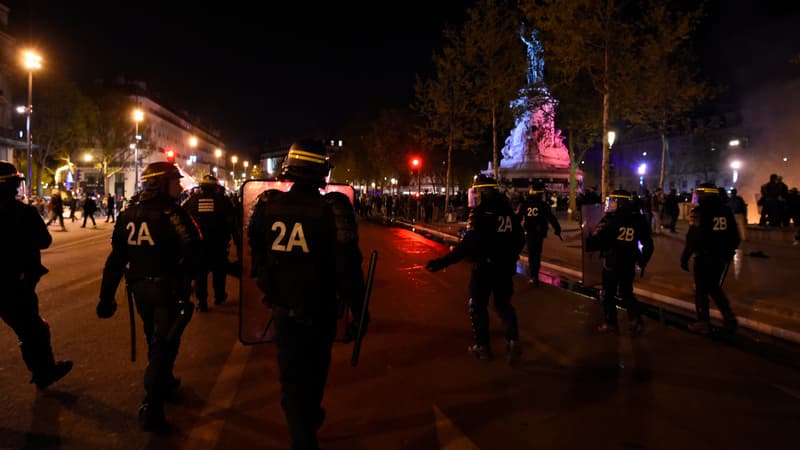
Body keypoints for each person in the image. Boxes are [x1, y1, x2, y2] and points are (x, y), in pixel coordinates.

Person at [248, 139, 367, 450]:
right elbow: (348, 267)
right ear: (321, 171)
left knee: (291, 377)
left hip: (283, 309)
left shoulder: (266, 204)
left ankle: (302, 428)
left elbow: (255, 248)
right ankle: (305, 434)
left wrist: (267, 283)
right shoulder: (335, 208)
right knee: (314, 374)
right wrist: (360, 309)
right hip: (321, 310)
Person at [96, 162, 202, 433]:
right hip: (168, 290)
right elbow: (194, 250)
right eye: (175, 182)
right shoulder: (174, 214)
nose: (179, 187)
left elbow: (115, 260)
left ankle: (164, 382)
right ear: (160, 184)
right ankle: (151, 407)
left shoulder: (127, 214)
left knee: (154, 337)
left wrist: (106, 298)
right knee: (163, 347)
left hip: (140, 292)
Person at [425, 174, 525, 363]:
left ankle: (483, 347)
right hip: (504, 268)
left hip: (484, 268)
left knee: (477, 306)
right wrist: (510, 257)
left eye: (477, 192)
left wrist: (443, 262)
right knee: (504, 305)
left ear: (483, 192)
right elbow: (520, 239)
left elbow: (467, 245)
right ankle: (513, 341)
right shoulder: (509, 212)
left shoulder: (479, 214)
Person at [0, 161, 72, 388]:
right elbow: (45, 241)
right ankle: (44, 371)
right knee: (33, 330)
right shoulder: (24, 213)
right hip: (16, 284)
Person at [586, 189, 654, 336]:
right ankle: (635, 320)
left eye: (614, 201)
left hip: (612, 263)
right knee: (627, 292)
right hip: (629, 262)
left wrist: (589, 239)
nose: (611, 205)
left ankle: (611, 324)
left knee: (608, 294)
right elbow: (649, 245)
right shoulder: (639, 219)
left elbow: (598, 241)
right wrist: (642, 261)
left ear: (621, 203)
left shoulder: (611, 220)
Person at [680, 182, 740, 334]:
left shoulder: (699, 212)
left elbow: (693, 237)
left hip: (704, 257)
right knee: (713, 287)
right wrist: (729, 253)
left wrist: (685, 257)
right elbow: (735, 236)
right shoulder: (725, 210)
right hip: (721, 257)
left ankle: (703, 321)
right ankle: (728, 317)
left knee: (701, 290)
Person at [181, 174, 236, 312]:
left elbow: (182, 218)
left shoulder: (191, 200)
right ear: (215, 187)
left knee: (200, 274)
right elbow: (233, 221)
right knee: (219, 271)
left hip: (198, 245)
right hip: (219, 244)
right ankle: (219, 296)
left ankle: (202, 302)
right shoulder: (224, 200)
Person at [519, 184, 561, 286]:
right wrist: (557, 229)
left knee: (532, 254)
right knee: (537, 254)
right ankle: (535, 274)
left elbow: (518, 218)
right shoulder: (543, 205)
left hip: (529, 232)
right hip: (539, 233)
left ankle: (533, 275)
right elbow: (551, 218)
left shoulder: (525, 204)